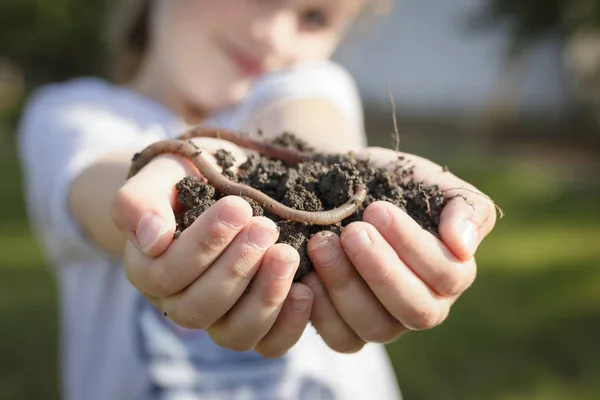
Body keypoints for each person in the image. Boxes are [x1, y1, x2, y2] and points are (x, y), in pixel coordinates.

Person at [17, 0, 497, 399]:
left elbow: (307, 117)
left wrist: (323, 159)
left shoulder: (313, 81)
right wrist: (158, 201)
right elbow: (97, 184)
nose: (273, 36)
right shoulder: (69, 113)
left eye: (315, 18)